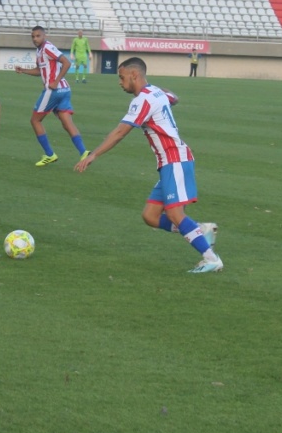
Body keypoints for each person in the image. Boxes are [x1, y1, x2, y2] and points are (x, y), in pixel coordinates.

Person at [75, 57, 221, 273]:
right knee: (150, 217)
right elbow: (174, 97)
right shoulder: (155, 92)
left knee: (174, 214)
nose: (120, 82)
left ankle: (211, 259)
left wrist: (93, 154)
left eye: (122, 77)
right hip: (167, 163)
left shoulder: (142, 100)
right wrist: (159, 93)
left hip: (175, 159)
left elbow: (119, 133)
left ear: (134, 75)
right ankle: (200, 230)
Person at [14, 25, 89, 167]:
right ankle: (83, 152)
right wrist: (23, 70)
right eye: (33, 36)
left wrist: (55, 81)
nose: (35, 39)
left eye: (38, 36)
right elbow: (39, 71)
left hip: (53, 91)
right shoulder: (39, 51)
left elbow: (66, 62)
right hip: (65, 90)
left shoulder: (47, 47)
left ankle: (49, 154)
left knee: (35, 120)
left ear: (44, 36)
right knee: (67, 123)